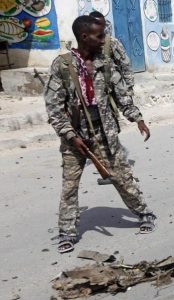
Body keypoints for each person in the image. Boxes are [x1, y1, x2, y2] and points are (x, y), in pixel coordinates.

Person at [44, 16, 156, 254]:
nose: (104, 39)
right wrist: (69, 135)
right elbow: (53, 108)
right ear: (85, 37)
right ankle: (67, 232)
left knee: (122, 177)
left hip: (104, 135)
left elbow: (122, 95)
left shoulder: (105, 64)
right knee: (70, 186)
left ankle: (144, 212)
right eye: (100, 35)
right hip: (74, 138)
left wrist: (138, 118)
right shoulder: (62, 66)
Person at [89, 11, 135, 186]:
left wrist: (128, 90)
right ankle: (113, 168)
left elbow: (125, 65)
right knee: (102, 133)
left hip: (112, 94)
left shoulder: (111, 43)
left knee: (110, 131)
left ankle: (121, 172)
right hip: (96, 98)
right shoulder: (88, 44)